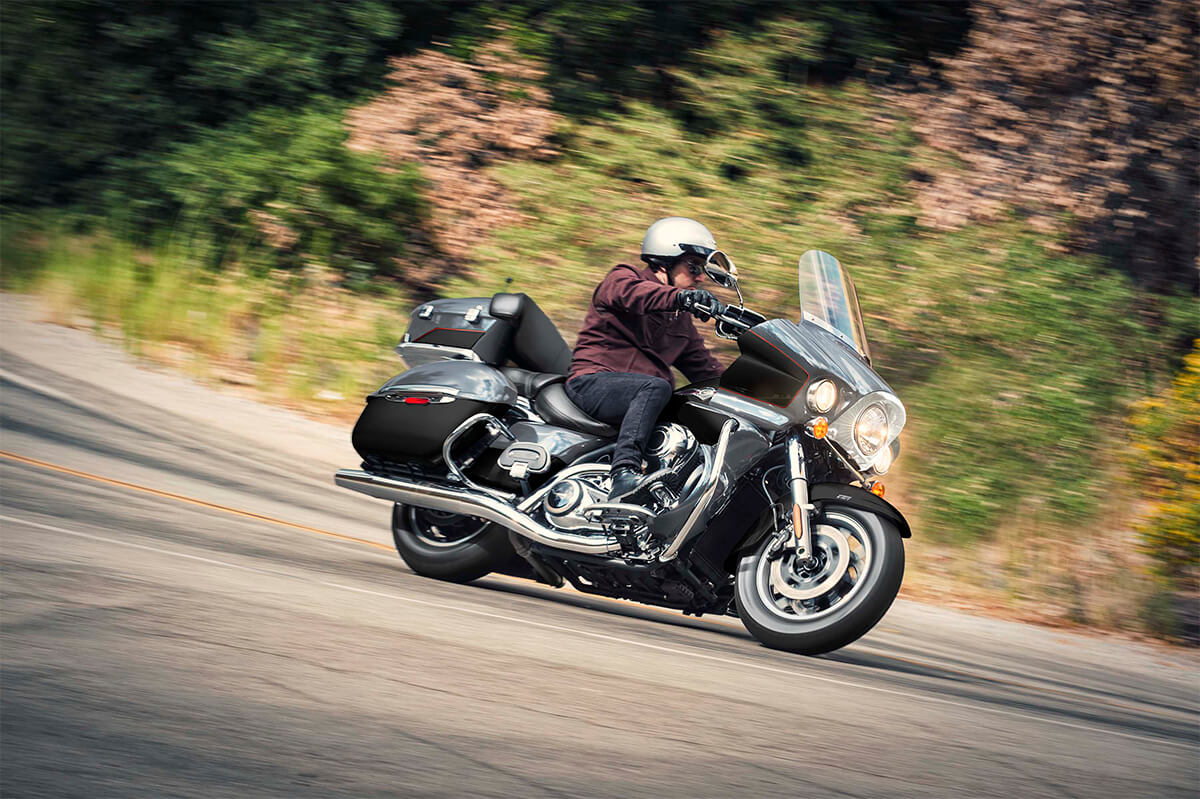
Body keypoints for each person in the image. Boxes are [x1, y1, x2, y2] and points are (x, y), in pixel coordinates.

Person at [566, 217, 730, 501]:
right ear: (664, 261)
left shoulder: (681, 324)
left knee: (695, 403)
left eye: (702, 271)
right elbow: (631, 295)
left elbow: (707, 370)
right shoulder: (625, 279)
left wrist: (761, 390)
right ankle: (624, 474)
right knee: (656, 386)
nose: (700, 277)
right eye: (693, 267)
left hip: (639, 396)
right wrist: (681, 298)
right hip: (593, 381)